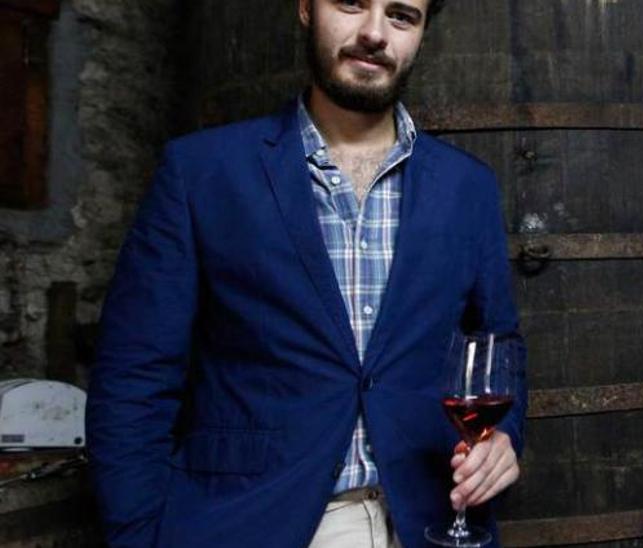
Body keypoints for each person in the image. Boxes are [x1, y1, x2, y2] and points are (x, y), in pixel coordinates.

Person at [86, 1, 526, 546]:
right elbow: (134, 380)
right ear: (304, 8)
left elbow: (498, 351)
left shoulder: (469, 188)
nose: (373, 33)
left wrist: (500, 440)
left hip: (427, 522)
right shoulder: (200, 173)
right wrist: (136, 538)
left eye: (401, 16)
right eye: (350, 3)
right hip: (250, 523)